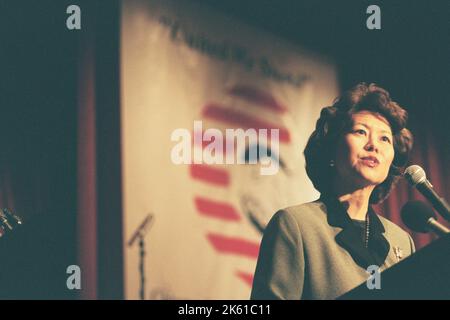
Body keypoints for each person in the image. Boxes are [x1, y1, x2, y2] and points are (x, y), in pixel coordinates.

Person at [250, 83, 415, 300]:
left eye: (384, 138)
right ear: (331, 148)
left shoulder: (401, 242)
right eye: (361, 132)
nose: (373, 145)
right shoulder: (296, 225)